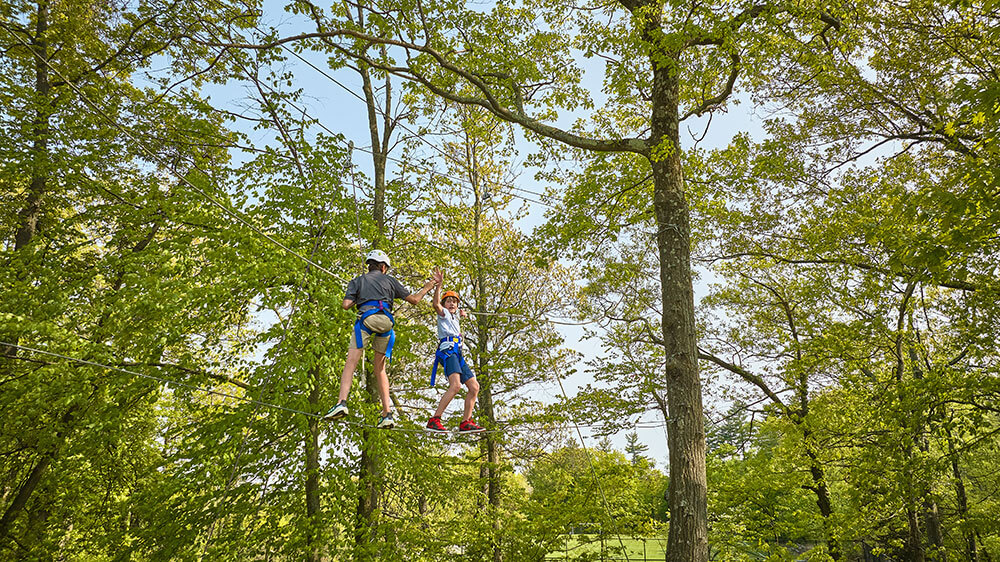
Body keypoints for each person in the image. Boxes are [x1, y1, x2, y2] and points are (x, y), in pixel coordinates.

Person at [324, 249, 439, 429]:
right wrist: (429, 286)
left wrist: (358, 297)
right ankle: (387, 414)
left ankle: (342, 403)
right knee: (380, 369)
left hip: (366, 320)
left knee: (351, 363)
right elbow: (415, 300)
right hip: (386, 323)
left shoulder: (358, 281)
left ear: (370, 265)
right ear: (384, 267)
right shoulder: (391, 281)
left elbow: (346, 305)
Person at [425, 276, 484, 434]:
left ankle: (466, 421)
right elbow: (436, 305)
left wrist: (461, 314)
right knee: (456, 385)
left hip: (458, 353)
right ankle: (435, 419)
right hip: (448, 351)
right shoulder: (443, 313)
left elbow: (456, 315)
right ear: (445, 304)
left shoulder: (455, 316)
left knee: (474, 387)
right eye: (449, 301)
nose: (451, 304)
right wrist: (439, 287)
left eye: (454, 302)